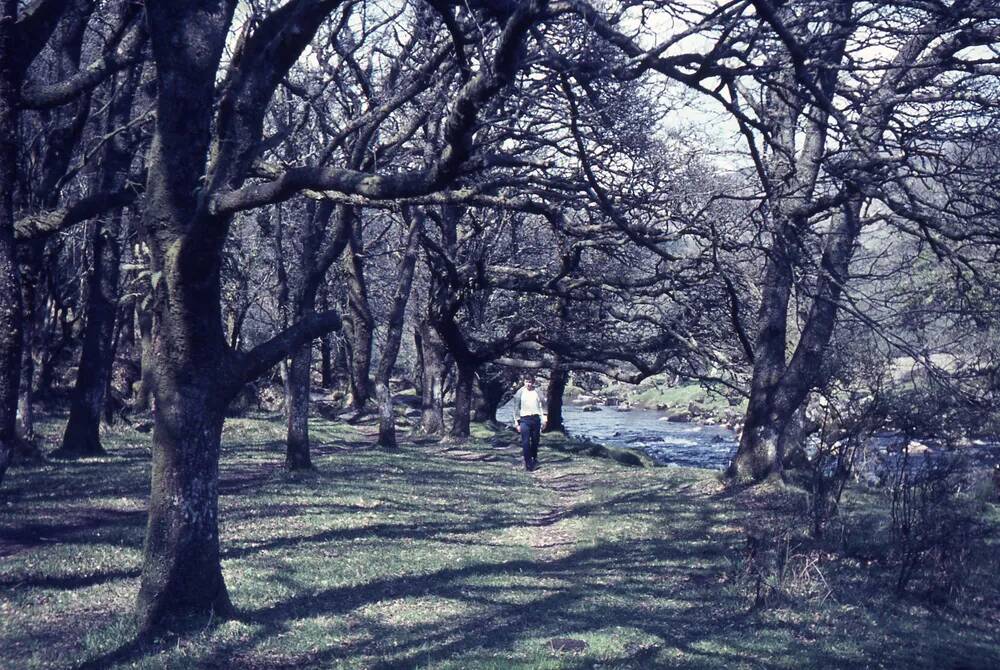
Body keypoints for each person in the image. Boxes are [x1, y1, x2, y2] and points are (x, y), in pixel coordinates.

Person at [511, 375, 546, 471]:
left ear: (533, 382)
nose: (528, 384)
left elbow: (542, 405)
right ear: (524, 382)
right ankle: (528, 463)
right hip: (524, 419)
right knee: (525, 442)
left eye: (530, 382)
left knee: (535, 441)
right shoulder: (520, 393)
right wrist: (517, 423)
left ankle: (534, 458)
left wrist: (544, 419)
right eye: (526, 382)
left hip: (535, 419)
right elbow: (516, 408)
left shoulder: (537, 392)